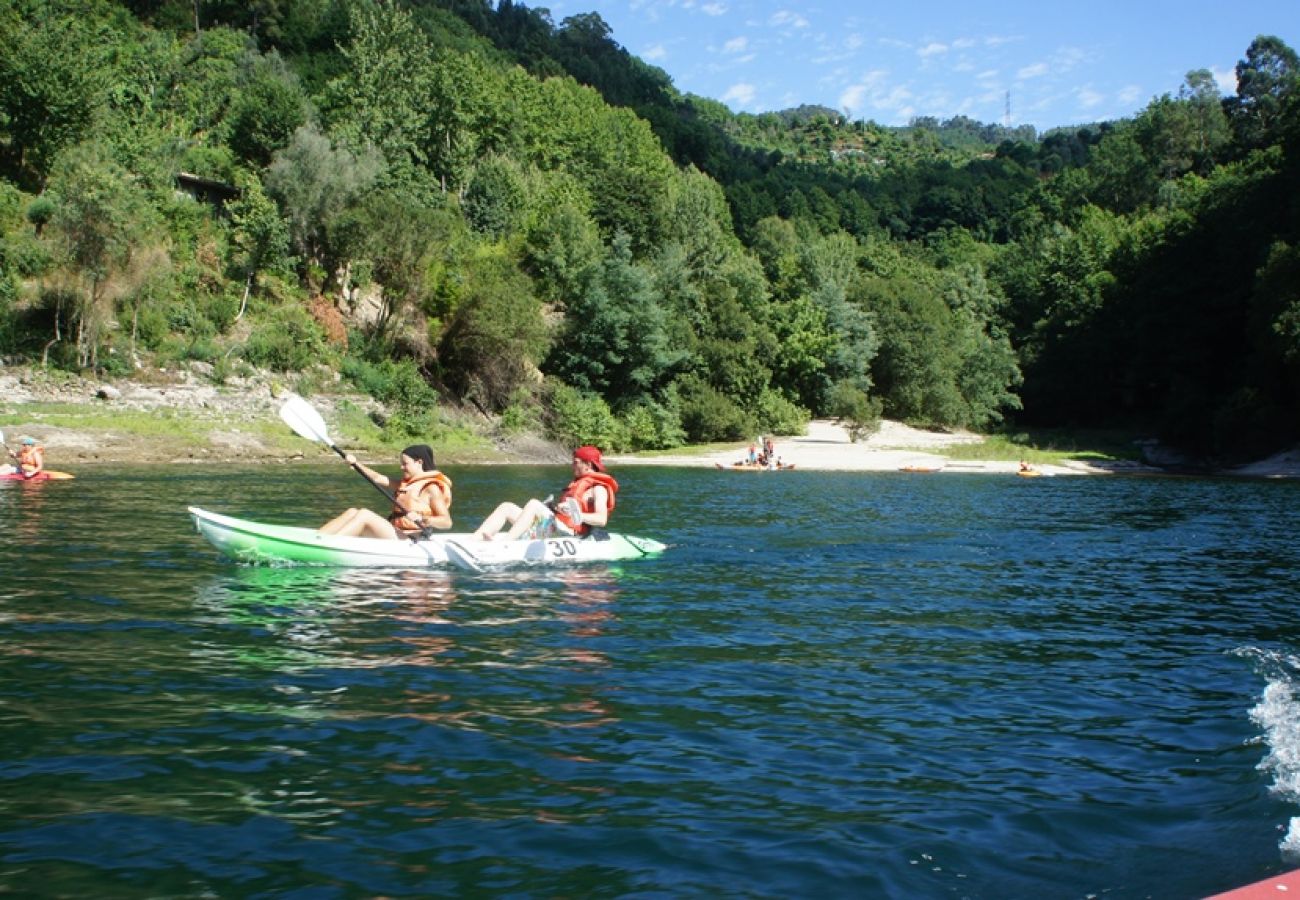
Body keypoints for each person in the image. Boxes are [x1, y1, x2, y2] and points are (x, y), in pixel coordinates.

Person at [473, 445, 618, 541]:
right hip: (556, 526)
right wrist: (554, 509)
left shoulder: (599, 488)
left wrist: (578, 515)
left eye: (576, 462)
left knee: (534, 504)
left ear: (588, 464)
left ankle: (507, 543)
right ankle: (474, 540)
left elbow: (601, 519)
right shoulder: (578, 483)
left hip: (569, 532)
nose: (572, 465)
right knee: (507, 507)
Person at [320, 444, 452, 539]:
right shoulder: (405, 484)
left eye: (405, 463)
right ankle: (318, 538)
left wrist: (423, 519)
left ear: (419, 462)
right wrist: (355, 464)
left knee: (364, 514)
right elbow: (378, 478)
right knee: (352, 512)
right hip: (396, 532)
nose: (401, 467)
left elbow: (447, 522)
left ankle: (328, 546)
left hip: (411, 538)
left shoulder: (431, 488)